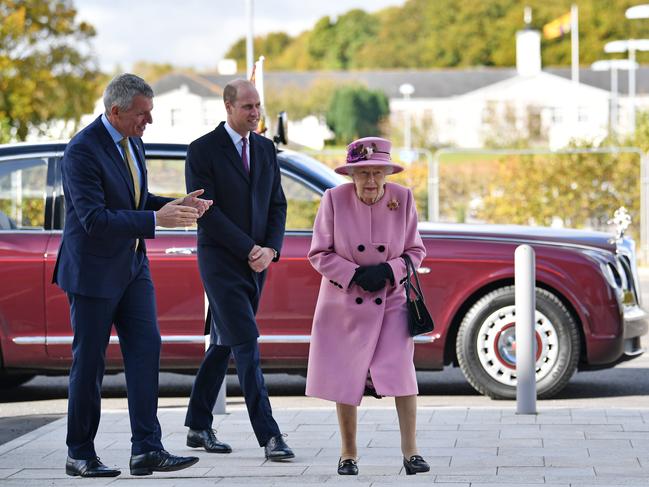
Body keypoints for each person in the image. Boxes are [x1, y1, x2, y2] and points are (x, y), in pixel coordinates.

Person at [53, 73, 211, 477]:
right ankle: (79, 454)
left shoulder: (131, 141)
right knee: (89, 366)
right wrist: (156, 220)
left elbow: (136, 201)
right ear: (116, 111)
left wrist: (177, 205)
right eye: (143, 114)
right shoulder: (81, 151)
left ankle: (147, 449)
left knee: (145, 353)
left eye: (150, 113)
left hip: (133, 268)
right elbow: (94, 219)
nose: (149, 122)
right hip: (92, 273)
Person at [306, 136, 430, 476]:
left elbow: (416, 251)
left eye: (378, 172)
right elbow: (318, 253)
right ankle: (348, 454)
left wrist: (390, 269)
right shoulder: (334, 199)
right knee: (346, 375)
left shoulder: (402, 199)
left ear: (388, 173)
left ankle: (411, 452)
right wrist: (354, 273)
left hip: (391, 300)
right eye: (364, 174)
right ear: (351, 175)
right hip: (344, 302)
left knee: (401, 373)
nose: (371, 181)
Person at [184, 79, 293, 461]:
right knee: (246, 342)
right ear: (228, 107)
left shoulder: (264, 148)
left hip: (258, 262)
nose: (255, 112)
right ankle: (270, 436)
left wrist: (270, 250)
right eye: (247, 106)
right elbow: (206, 212)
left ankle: (198, 425)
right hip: (220, 262)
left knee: (224, 342)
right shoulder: (202, 150)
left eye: (258, 105)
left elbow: (277, 205)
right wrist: (249, 248)